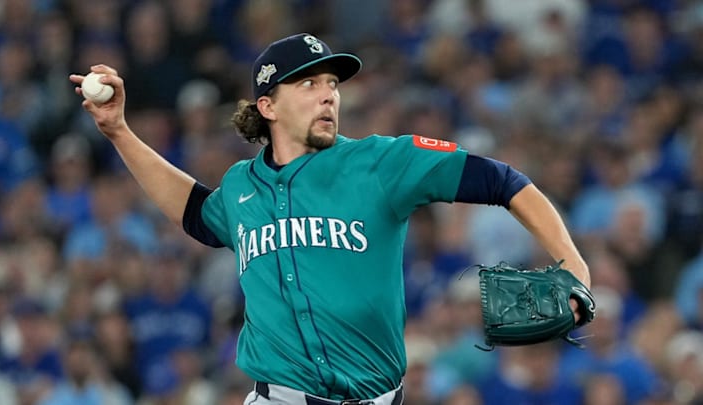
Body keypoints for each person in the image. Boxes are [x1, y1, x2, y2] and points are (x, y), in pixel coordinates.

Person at [70, 33, 591, 405]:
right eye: (309, 84)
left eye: (332, 85)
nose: (328, 94)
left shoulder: (381, 163)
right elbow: (195, 213)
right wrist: (118, 131)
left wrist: (574, 268)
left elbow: (505, 181)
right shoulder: (240, 188)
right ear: (268, 106)